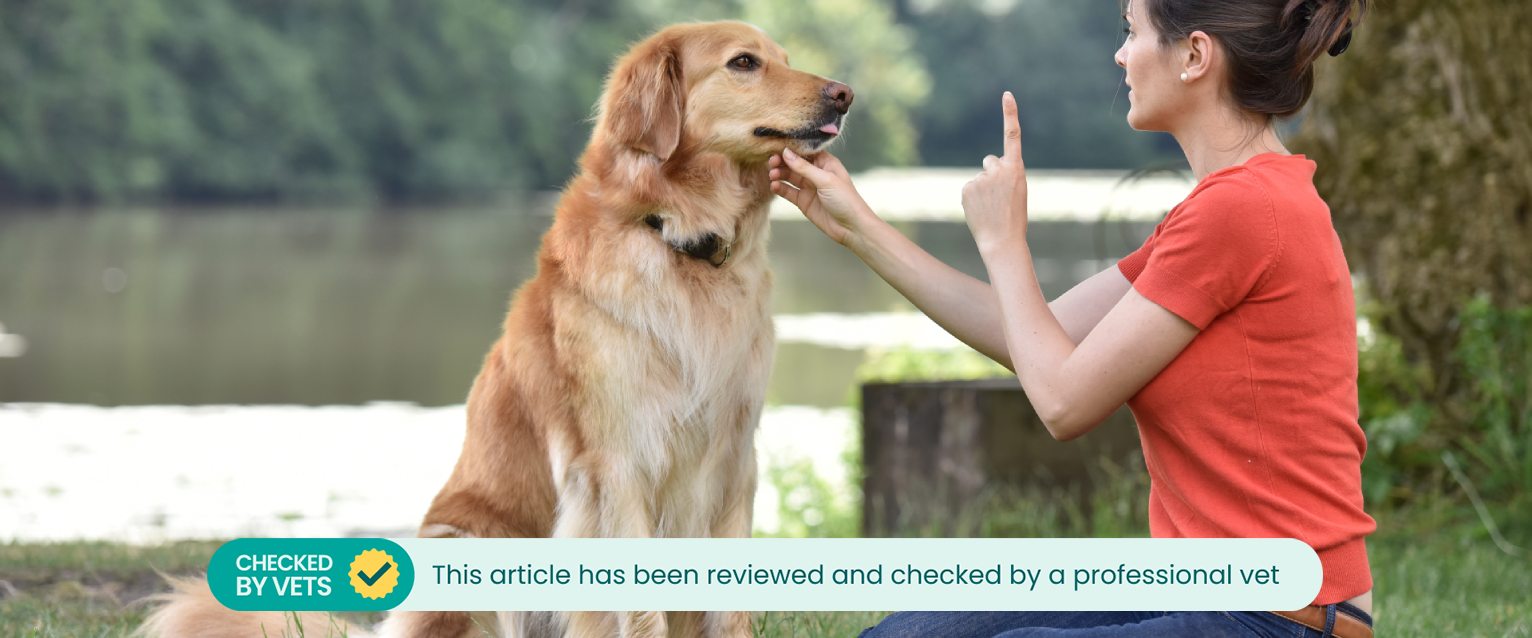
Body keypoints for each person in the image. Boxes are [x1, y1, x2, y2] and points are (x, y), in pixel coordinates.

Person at [768, 0, 1374, 636]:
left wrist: (1005, 243)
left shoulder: (1243, 211)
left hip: (1284, 615)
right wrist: (858, 227)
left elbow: (1061, 402)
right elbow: (1035, 337)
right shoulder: (1224, 207)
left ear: (1195, 56)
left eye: (1131, 32)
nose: (1120, 55)